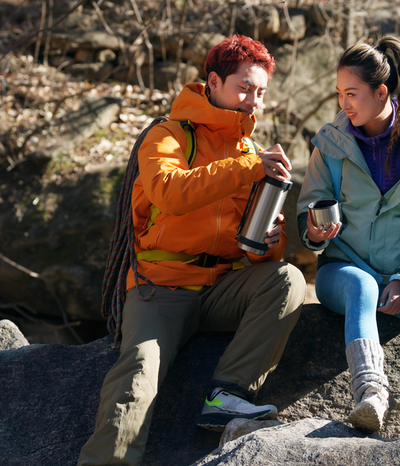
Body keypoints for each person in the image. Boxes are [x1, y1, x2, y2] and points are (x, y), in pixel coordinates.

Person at [78, 35, 306, 466]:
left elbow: (251, 250)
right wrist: (247, 167)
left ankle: (228, 395)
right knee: (137, 377)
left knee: (287, 280)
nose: (252, 101)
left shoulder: (249, 152)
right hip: (160, 288)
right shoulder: (167, 135)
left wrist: (269, 244)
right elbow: (169, 193)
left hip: (222, 286)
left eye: (259, 92)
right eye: (243, 88)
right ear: (213, 82)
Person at [296, 36, 400, 434]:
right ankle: (369, 392)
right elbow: (308, 213)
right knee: (363, 287)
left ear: (381, 91)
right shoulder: (330, 144)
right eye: (339, 94)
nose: (343, 104)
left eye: (351, 93)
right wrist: (316, 232)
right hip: (344, 271)